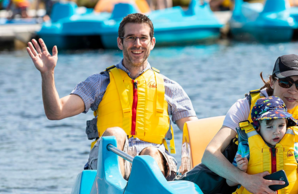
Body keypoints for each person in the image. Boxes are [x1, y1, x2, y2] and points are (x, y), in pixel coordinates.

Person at [26, 13, 197, 180]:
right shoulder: (99, 82)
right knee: (114, 134)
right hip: (110, 160)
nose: (137, 44)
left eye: (143, 38)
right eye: (130, 38)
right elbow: (56, 112)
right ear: (119, 42)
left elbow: (194, 132)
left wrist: (191, 166)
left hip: (153, 162)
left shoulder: (170, 88)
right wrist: (48, 74)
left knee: (150, 154)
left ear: (152, 43)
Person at [189, 54, 298, 194]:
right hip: (250, 192)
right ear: (273, 80)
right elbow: (210, 154)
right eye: (285, 82)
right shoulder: (246, 106)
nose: (293, 91)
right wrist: (245, 179)